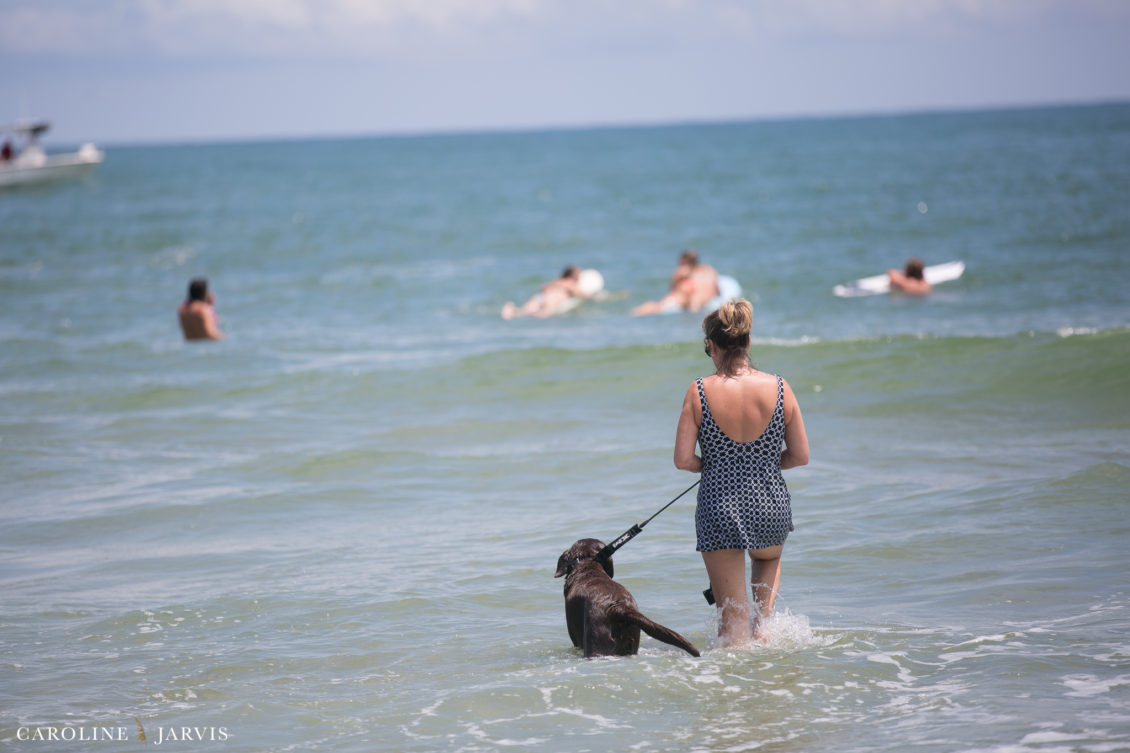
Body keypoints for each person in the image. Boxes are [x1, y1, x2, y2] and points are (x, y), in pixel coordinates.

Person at [673, 299, 809, 646]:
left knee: (731, 627)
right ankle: (764, 671)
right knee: (759, 625)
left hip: (720, 510)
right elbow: (800, 455)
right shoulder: (780, 387)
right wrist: (760, 464)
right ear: (748, 342)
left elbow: (683, 460)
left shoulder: (699, 391)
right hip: (770, 507)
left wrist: (714, 466)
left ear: (713, 346)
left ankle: (730, 695)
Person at [632, 250, 720, 316]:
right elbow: (718, 292)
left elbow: (673, 290)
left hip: (684, 300)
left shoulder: (682, 271)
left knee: (653, 306)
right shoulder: (710, 270)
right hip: (702, 302)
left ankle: (632, 315)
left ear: (684, 262)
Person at [501, 265, 592, 319]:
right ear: (572, 276)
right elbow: (583, 294)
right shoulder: (569, 283)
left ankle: (511, 310)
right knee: (542, 315)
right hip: (553, 299)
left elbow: (543, 287)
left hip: (540, 296)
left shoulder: (557, 281)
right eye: (578, 274)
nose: (579, 276)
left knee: (524, 311)